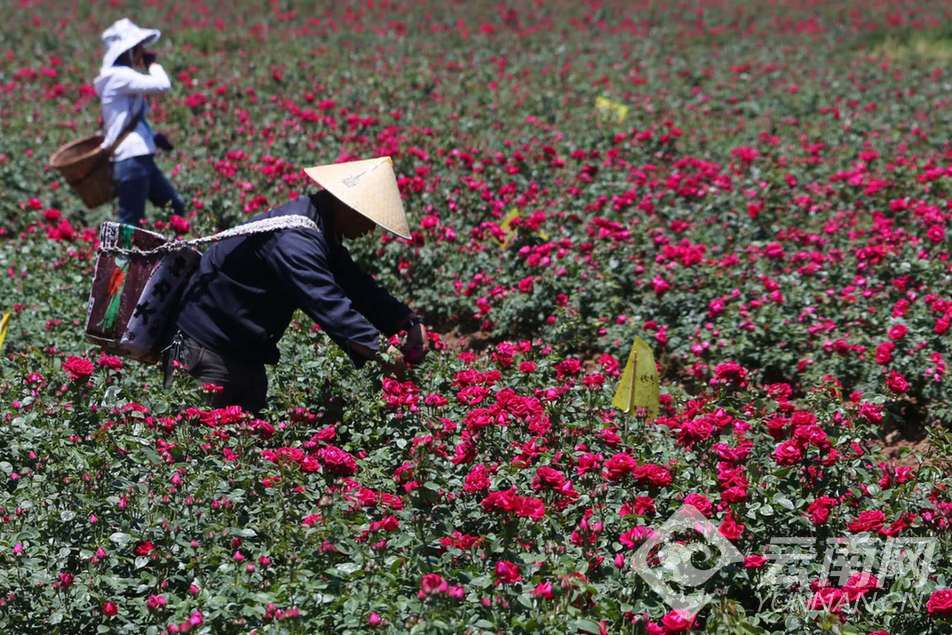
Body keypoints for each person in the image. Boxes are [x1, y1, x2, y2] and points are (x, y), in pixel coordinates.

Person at [169, 156, 428, 413]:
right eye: (368, 218)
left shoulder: (318, 226)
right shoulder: (296, 240)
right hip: (208, 350)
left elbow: (357, 285)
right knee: (198, 432)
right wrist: (384, 352)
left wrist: (407, 321)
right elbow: (328, 304)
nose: (370, 229)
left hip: (242, 351)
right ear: (346, 204)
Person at [94, 18, 185, 227]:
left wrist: (153, 137)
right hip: (132, 160)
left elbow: (126, 119)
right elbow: (162, 85)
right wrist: (152, 64)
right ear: (129, 51)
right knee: (129, 223)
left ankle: (172, 248)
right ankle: (121, 252)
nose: (142, 52)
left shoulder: (121, 77)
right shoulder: (119, 76)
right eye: (139, 48)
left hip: (139, 159)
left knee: (175, 207)